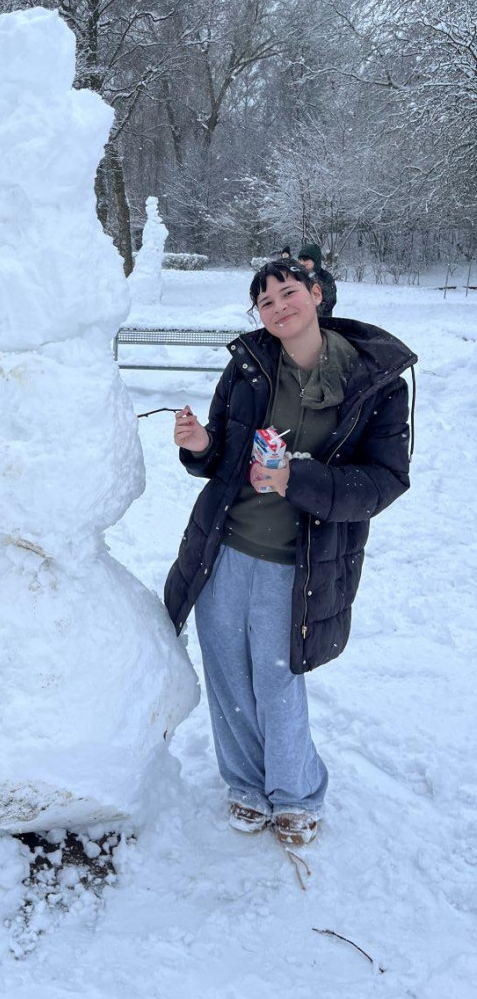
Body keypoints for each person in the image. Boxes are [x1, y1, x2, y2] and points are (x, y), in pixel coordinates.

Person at [164, 259, 414, 846]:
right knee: (228, 674)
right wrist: (200, 444)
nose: (278, 307)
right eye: (265, 301)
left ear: (316, 294)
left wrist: (295, 480)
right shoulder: (250, 366)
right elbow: (222, 455)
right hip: (224, 549)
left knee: (278, 681)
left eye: (288, 292)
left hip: (299, 562)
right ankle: (245, 785)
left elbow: (385, 481)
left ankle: (297, 795)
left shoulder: (375, 382)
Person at [297, 242, 337, 318]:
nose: (302, 263)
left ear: (315, 261)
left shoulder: (325, 277)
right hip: (301, 320)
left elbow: (329, 301)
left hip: (321, 320)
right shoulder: (297, 275)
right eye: (300, 259)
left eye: (305, 259)